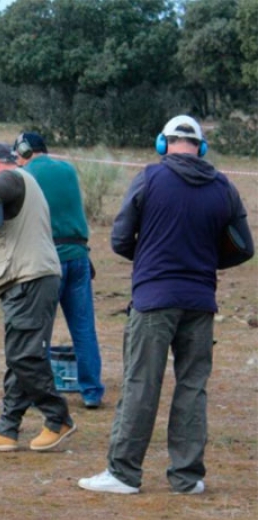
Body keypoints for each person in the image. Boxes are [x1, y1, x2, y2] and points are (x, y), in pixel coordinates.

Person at [78, 115, 253, 495]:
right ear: (201, 147)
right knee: (192, 388)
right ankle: (187, 477)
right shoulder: (223, 187)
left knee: (141, 384)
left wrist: (151, 257)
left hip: (154, 299)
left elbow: (121, 239)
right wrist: (207, 260)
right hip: (200, 301)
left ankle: (123, 473)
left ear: (163, 143)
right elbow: (244, 247)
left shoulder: (149, 178)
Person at [0, 143, 77, 453]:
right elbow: (18, 240)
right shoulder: (22, 184)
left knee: (24, 356)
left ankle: (58, 418)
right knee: (20, 355)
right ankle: (7, 429)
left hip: (30, 281)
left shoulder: (10, 178)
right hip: (27, 277)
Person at [13, 132, 105, 408]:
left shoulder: (24, 175)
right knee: (84, 328)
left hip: (49, 260)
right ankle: (91, 391)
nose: (16, 160)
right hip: (78, 256)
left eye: (18, 155)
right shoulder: (66, 168)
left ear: (26, 151)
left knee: (38, 332)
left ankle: (37, 391)